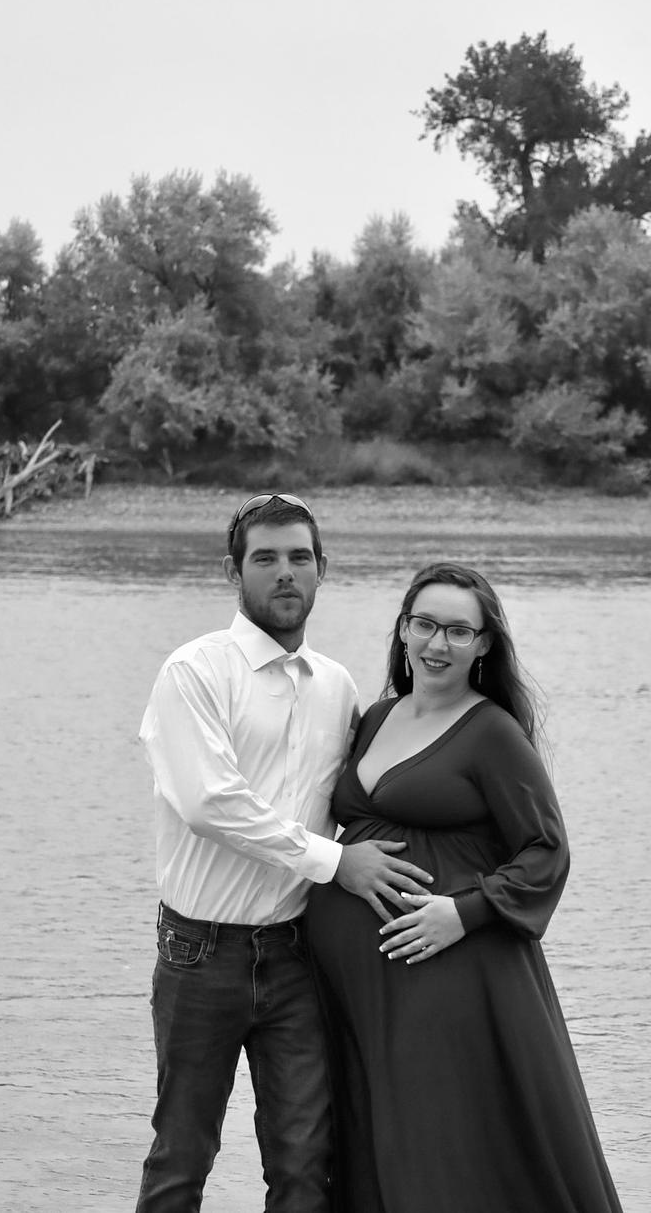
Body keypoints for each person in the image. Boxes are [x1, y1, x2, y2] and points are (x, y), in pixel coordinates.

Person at [135, 493, 433, 1213]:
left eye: (300, 557)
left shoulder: (337, 686)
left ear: (322, 569)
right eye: (265, 558)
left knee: (305, 1163)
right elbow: (211, 803)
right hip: (200, 954)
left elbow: (366, 798)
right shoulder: (194, 672)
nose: (285, 572)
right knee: (182, 1158)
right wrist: (335, 863)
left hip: (299, 954)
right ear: (234, 572)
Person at [304, 561, 624, 1213]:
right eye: (425, 624)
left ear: (484, 645)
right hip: (358, 989)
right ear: (402, 630)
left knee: (444, 1151)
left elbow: (547, 851)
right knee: (377, 1147)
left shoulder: (491, 733)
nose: (437, 643)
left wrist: (463, 913)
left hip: (448, 979)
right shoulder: (377, 717)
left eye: (457, 630)